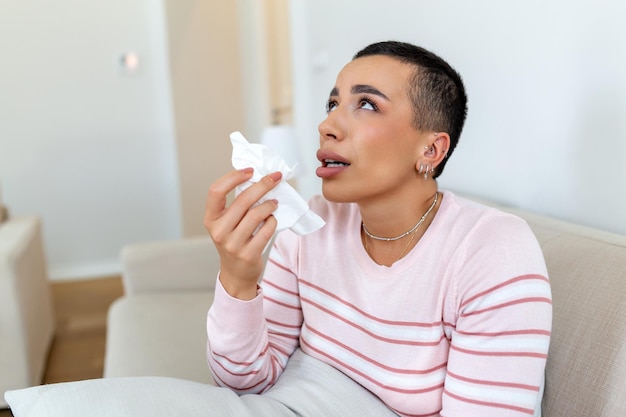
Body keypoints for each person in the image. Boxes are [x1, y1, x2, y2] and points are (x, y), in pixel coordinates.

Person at [203, 41, 552, 417]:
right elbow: (247, 383)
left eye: (366, 104)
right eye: (332, 104)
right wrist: (237, 281)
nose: (326, 126)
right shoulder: (311, 225)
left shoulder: (491, 250)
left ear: (431, 151)